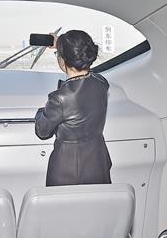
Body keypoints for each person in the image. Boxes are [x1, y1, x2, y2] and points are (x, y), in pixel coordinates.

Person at [34, 30, 112, 186]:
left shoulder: (59, 98)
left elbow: (42, 132)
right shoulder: (101, 83)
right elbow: (90, 74)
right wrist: (62, 45)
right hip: (98, 164)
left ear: (62, 61)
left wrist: (41, 111)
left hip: (67, 171)